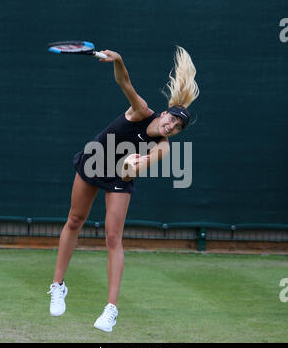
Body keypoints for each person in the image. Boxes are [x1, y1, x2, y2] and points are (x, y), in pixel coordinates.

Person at [47, 46, 199, 332]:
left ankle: (111, 309)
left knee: (113, 237)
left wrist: (131, 164)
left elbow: (132, 171)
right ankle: (58, 285)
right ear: (165, 113)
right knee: (75, 220)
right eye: (172, 119)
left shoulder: (163, 148)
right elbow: (124, 82)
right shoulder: (141, 110)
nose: (171, 126)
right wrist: (118, 60)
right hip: (94, 162)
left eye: (177, 127)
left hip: (119, 176)